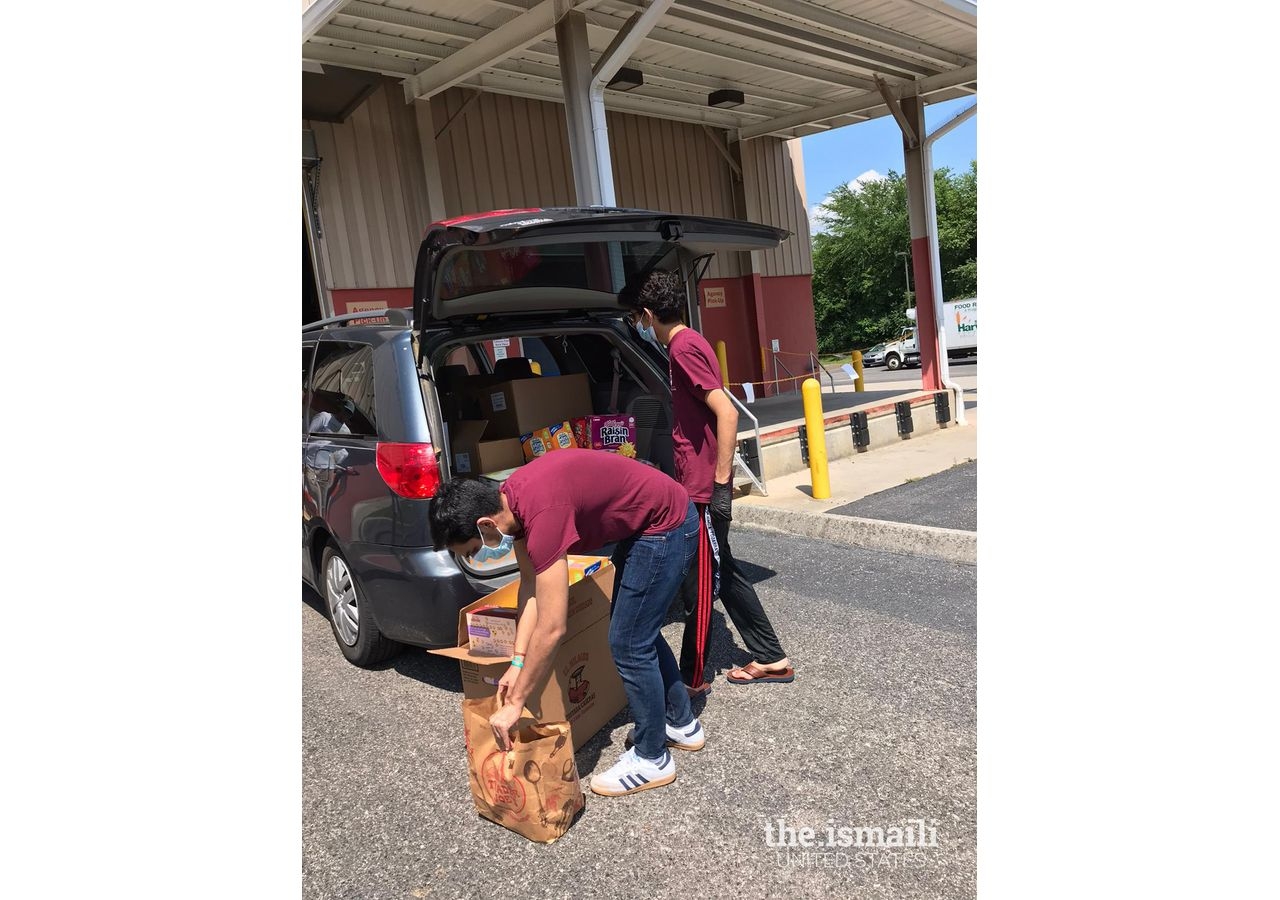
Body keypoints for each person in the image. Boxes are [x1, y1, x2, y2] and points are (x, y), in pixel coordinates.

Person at [429, 448, 705, 797]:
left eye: (471, 550)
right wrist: (517, 661)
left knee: (629, 642)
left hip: (667, 525)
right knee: (636, 630)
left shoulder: (543, 513)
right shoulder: (511, 503)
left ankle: (653, 758)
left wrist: (516, 703)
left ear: (485, 524)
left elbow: (553, 625)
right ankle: (681, 723)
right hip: (646, 523)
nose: (475, 557)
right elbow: (529, 587)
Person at [622, 270, 794, 692]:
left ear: (647, 314)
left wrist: (719, 487)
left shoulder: (682, 347)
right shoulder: (689, 341)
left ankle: (692, 678)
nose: (640, 328)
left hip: (703, 488)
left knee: (699, 584)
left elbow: (728, 412)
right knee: (725, 569)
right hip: (698, 483)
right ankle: (771, 657)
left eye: (638, 320)